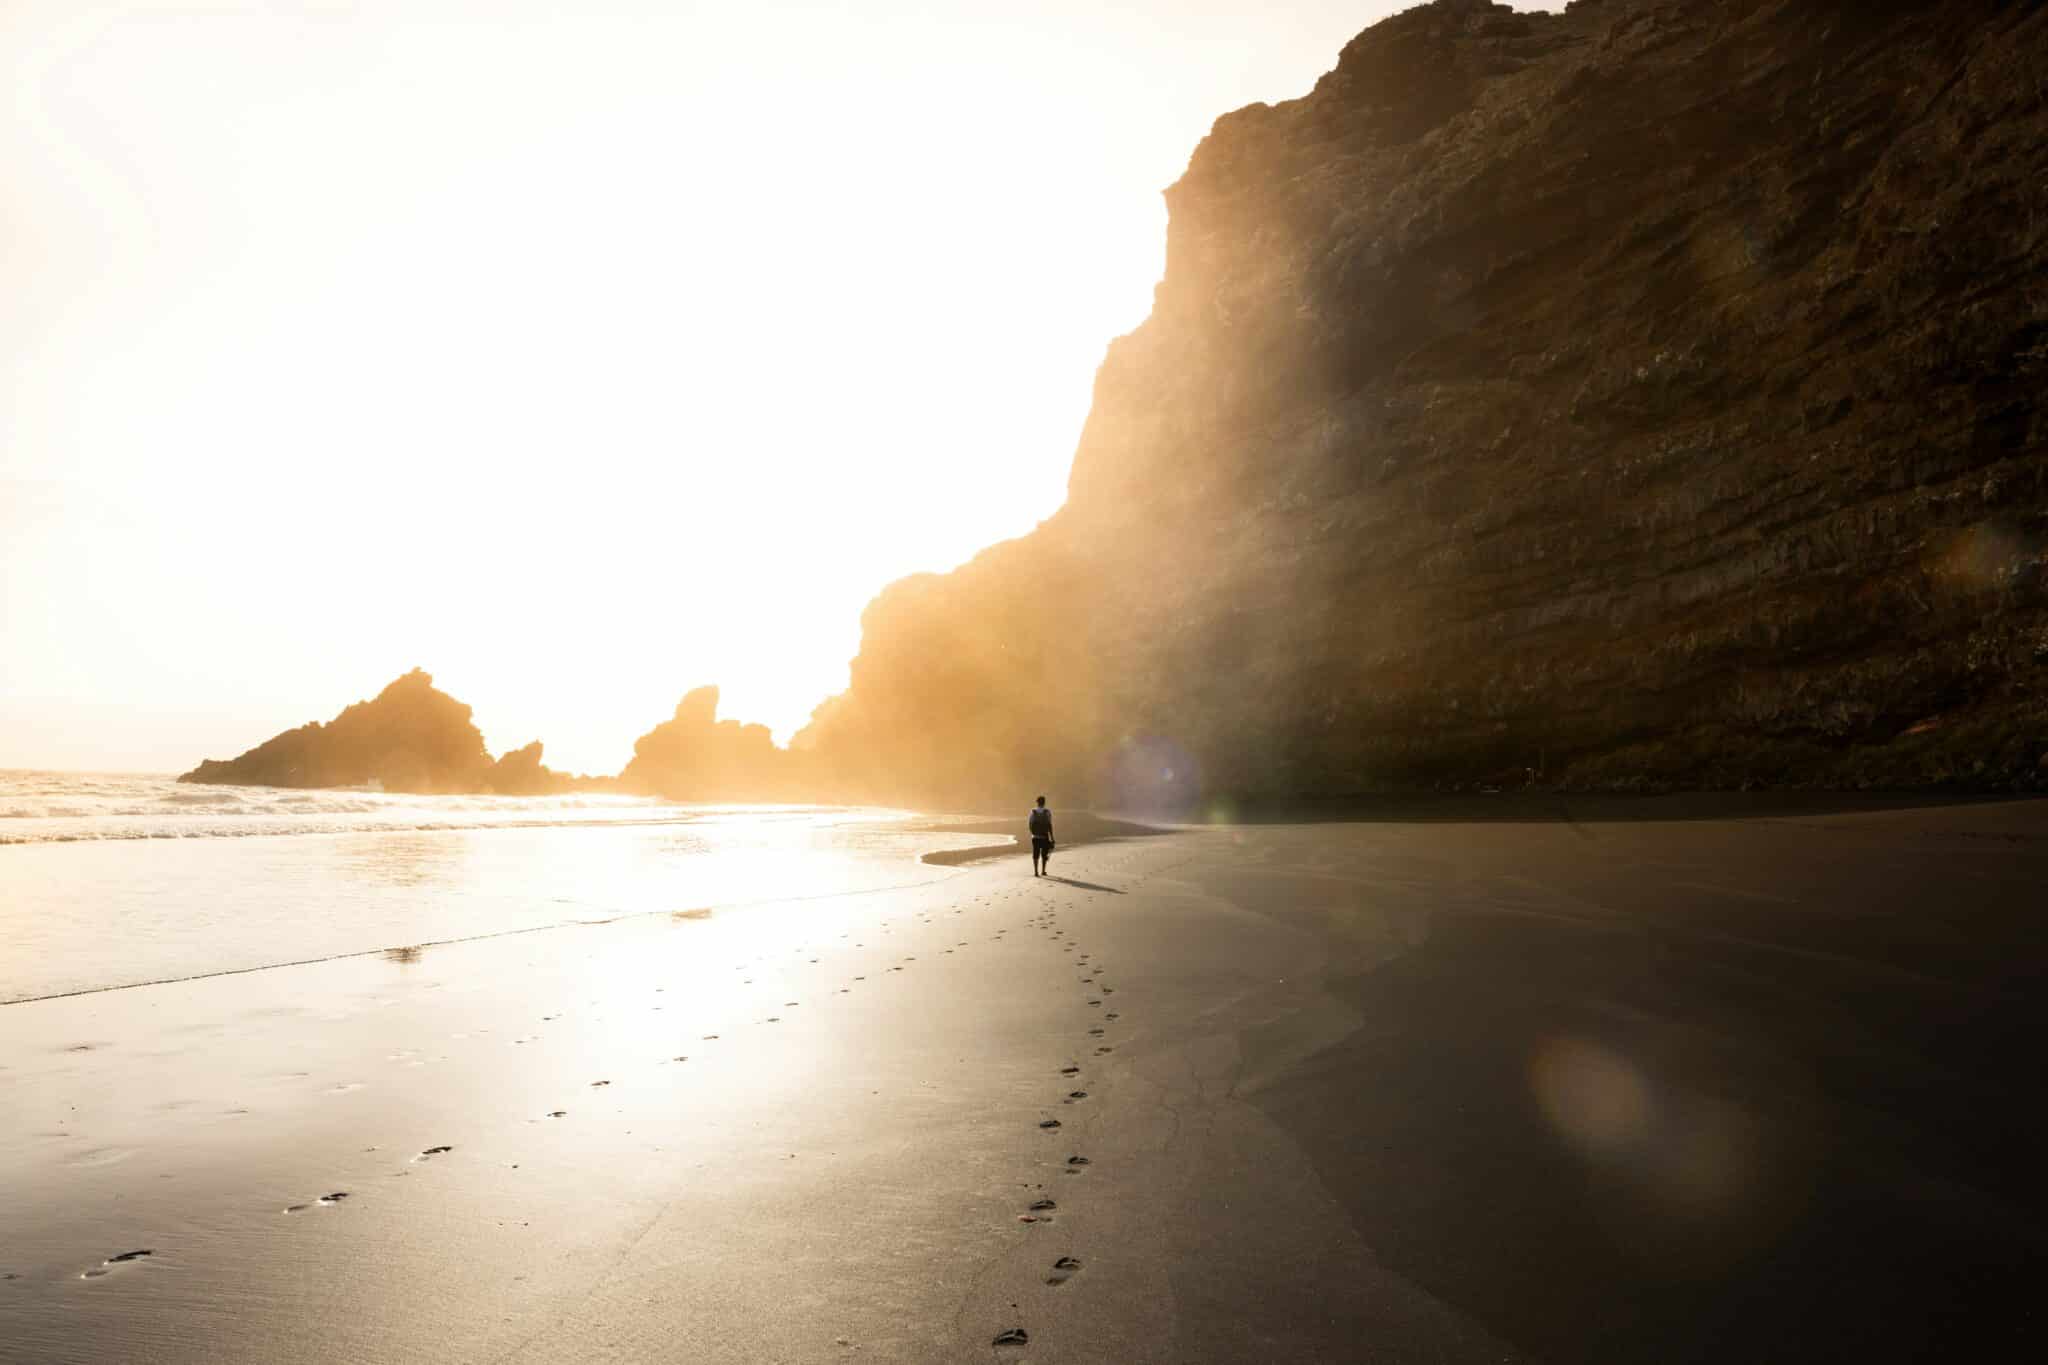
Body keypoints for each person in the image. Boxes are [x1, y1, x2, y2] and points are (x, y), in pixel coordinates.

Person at [1028, 796, 1054, 876]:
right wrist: (1052, 837)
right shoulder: (1047, 812)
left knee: (1036, 854)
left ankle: (1036, 872)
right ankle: (1043, 870)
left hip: (1035, 837)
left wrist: (1033, 833)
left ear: (1037, 802)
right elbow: (1049, 825)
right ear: (1044, 802)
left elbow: (1030, 824)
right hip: (1044, 836)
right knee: (1044, 854)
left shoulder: (1033, 811)